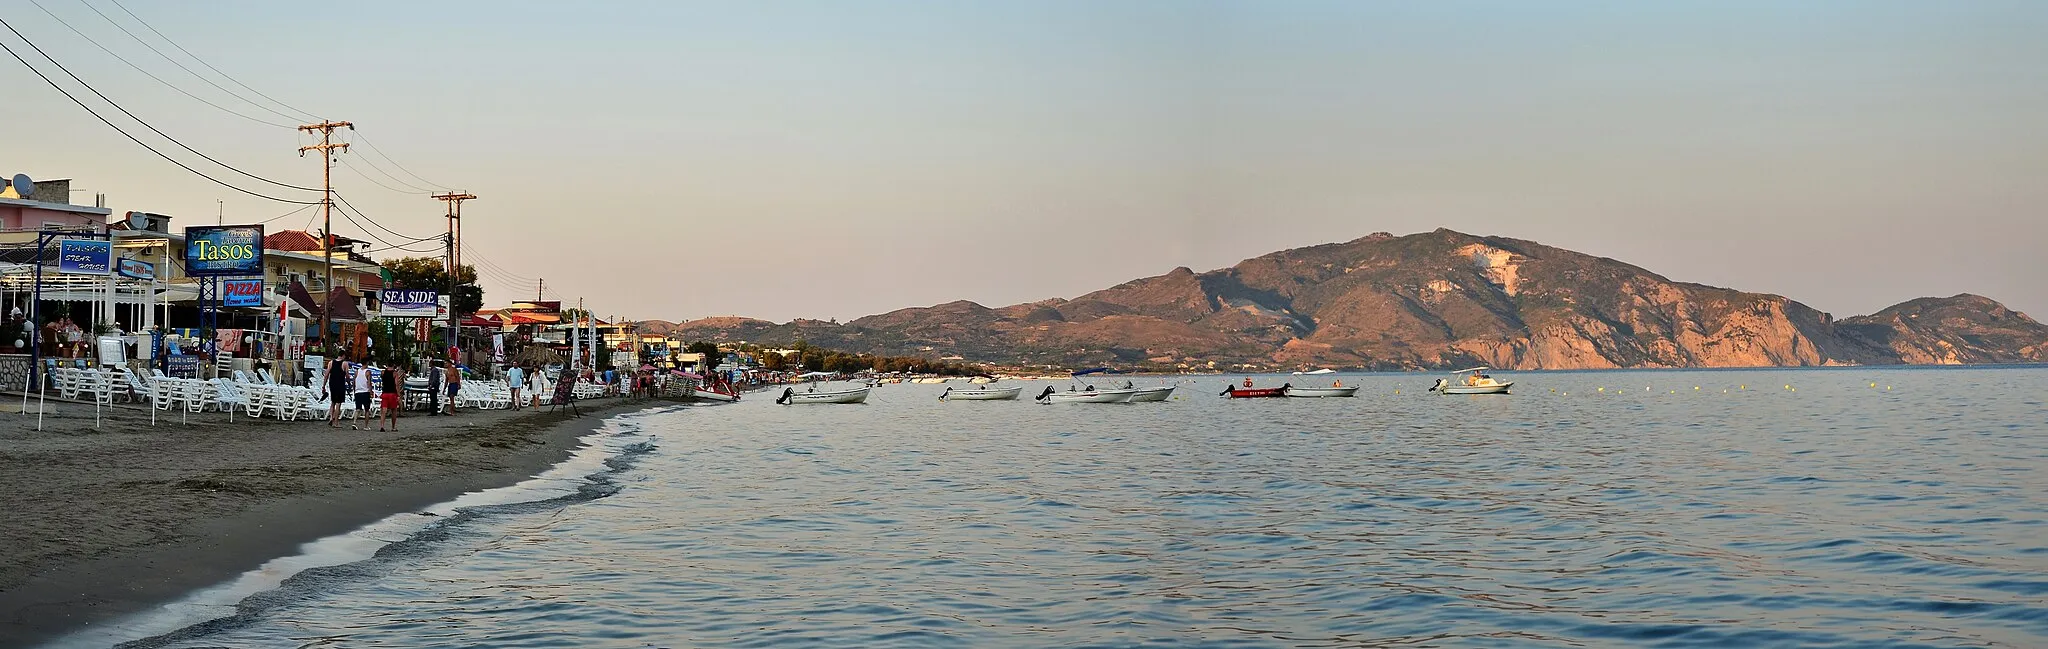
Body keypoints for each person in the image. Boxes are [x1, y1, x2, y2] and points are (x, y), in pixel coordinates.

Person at [326, 355, 350, 427]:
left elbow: (326, 374)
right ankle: (336, 422)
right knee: (338, 404)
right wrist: (349, 383)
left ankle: (331, 418)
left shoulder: (331, 362)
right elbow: (347, 375)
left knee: (333, 402)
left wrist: (324, 385)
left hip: (332, 384)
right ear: (343, 356)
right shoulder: (345, 363)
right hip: (340, 384)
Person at [379, 363, 403, 431]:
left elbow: (382, 379)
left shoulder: (383, 372)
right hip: (392, 393)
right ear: (393, 365)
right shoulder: (395, 373)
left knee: (384, 410)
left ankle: (382, 426)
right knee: (394, 410)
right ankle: (393, 427)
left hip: (385, 393)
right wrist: (398, 394)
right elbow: (396, 384)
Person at [351, 361, 374, 430]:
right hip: (365, 391)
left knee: (358, 408)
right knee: (366, 409)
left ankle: (354, 422)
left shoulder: (357, 371)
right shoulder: (368, 372)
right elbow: (369, 382)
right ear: (367, 363)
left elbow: (354, 381)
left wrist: (355, 390)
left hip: (358, 391)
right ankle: (366, 426)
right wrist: (370, 392)